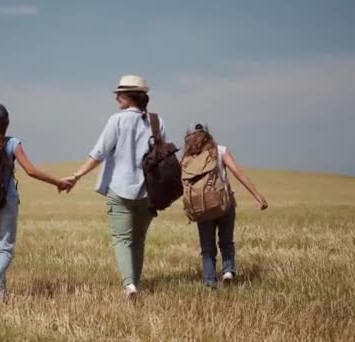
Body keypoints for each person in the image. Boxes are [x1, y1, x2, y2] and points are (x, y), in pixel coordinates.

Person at [64, 75, 169, 299]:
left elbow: (99, 153)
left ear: (130, 96)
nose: (116, 98)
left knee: (122, 239)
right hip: (149, 193)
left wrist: (77, 175)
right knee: (138, 239)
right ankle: (135, 284)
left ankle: (130, 285)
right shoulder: (157, 121)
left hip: (120, 189)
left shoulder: (116, 120)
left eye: (119, 94)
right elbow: (165, 156)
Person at [0, 103, 74, 303]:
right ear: (6, 123)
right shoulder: (11, 143)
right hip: (6, 203)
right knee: (5, 250)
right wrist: (58, 182)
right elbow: (31, 171)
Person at [183, 123, 268, 288]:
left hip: (202, 208)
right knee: (226, 242)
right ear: (209, 136)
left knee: (207, 249)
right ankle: (228, 270)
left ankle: (210, 283)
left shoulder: (189, 157)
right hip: (224, 204)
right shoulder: (220, 150)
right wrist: (257, 196)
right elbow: (237, 172)